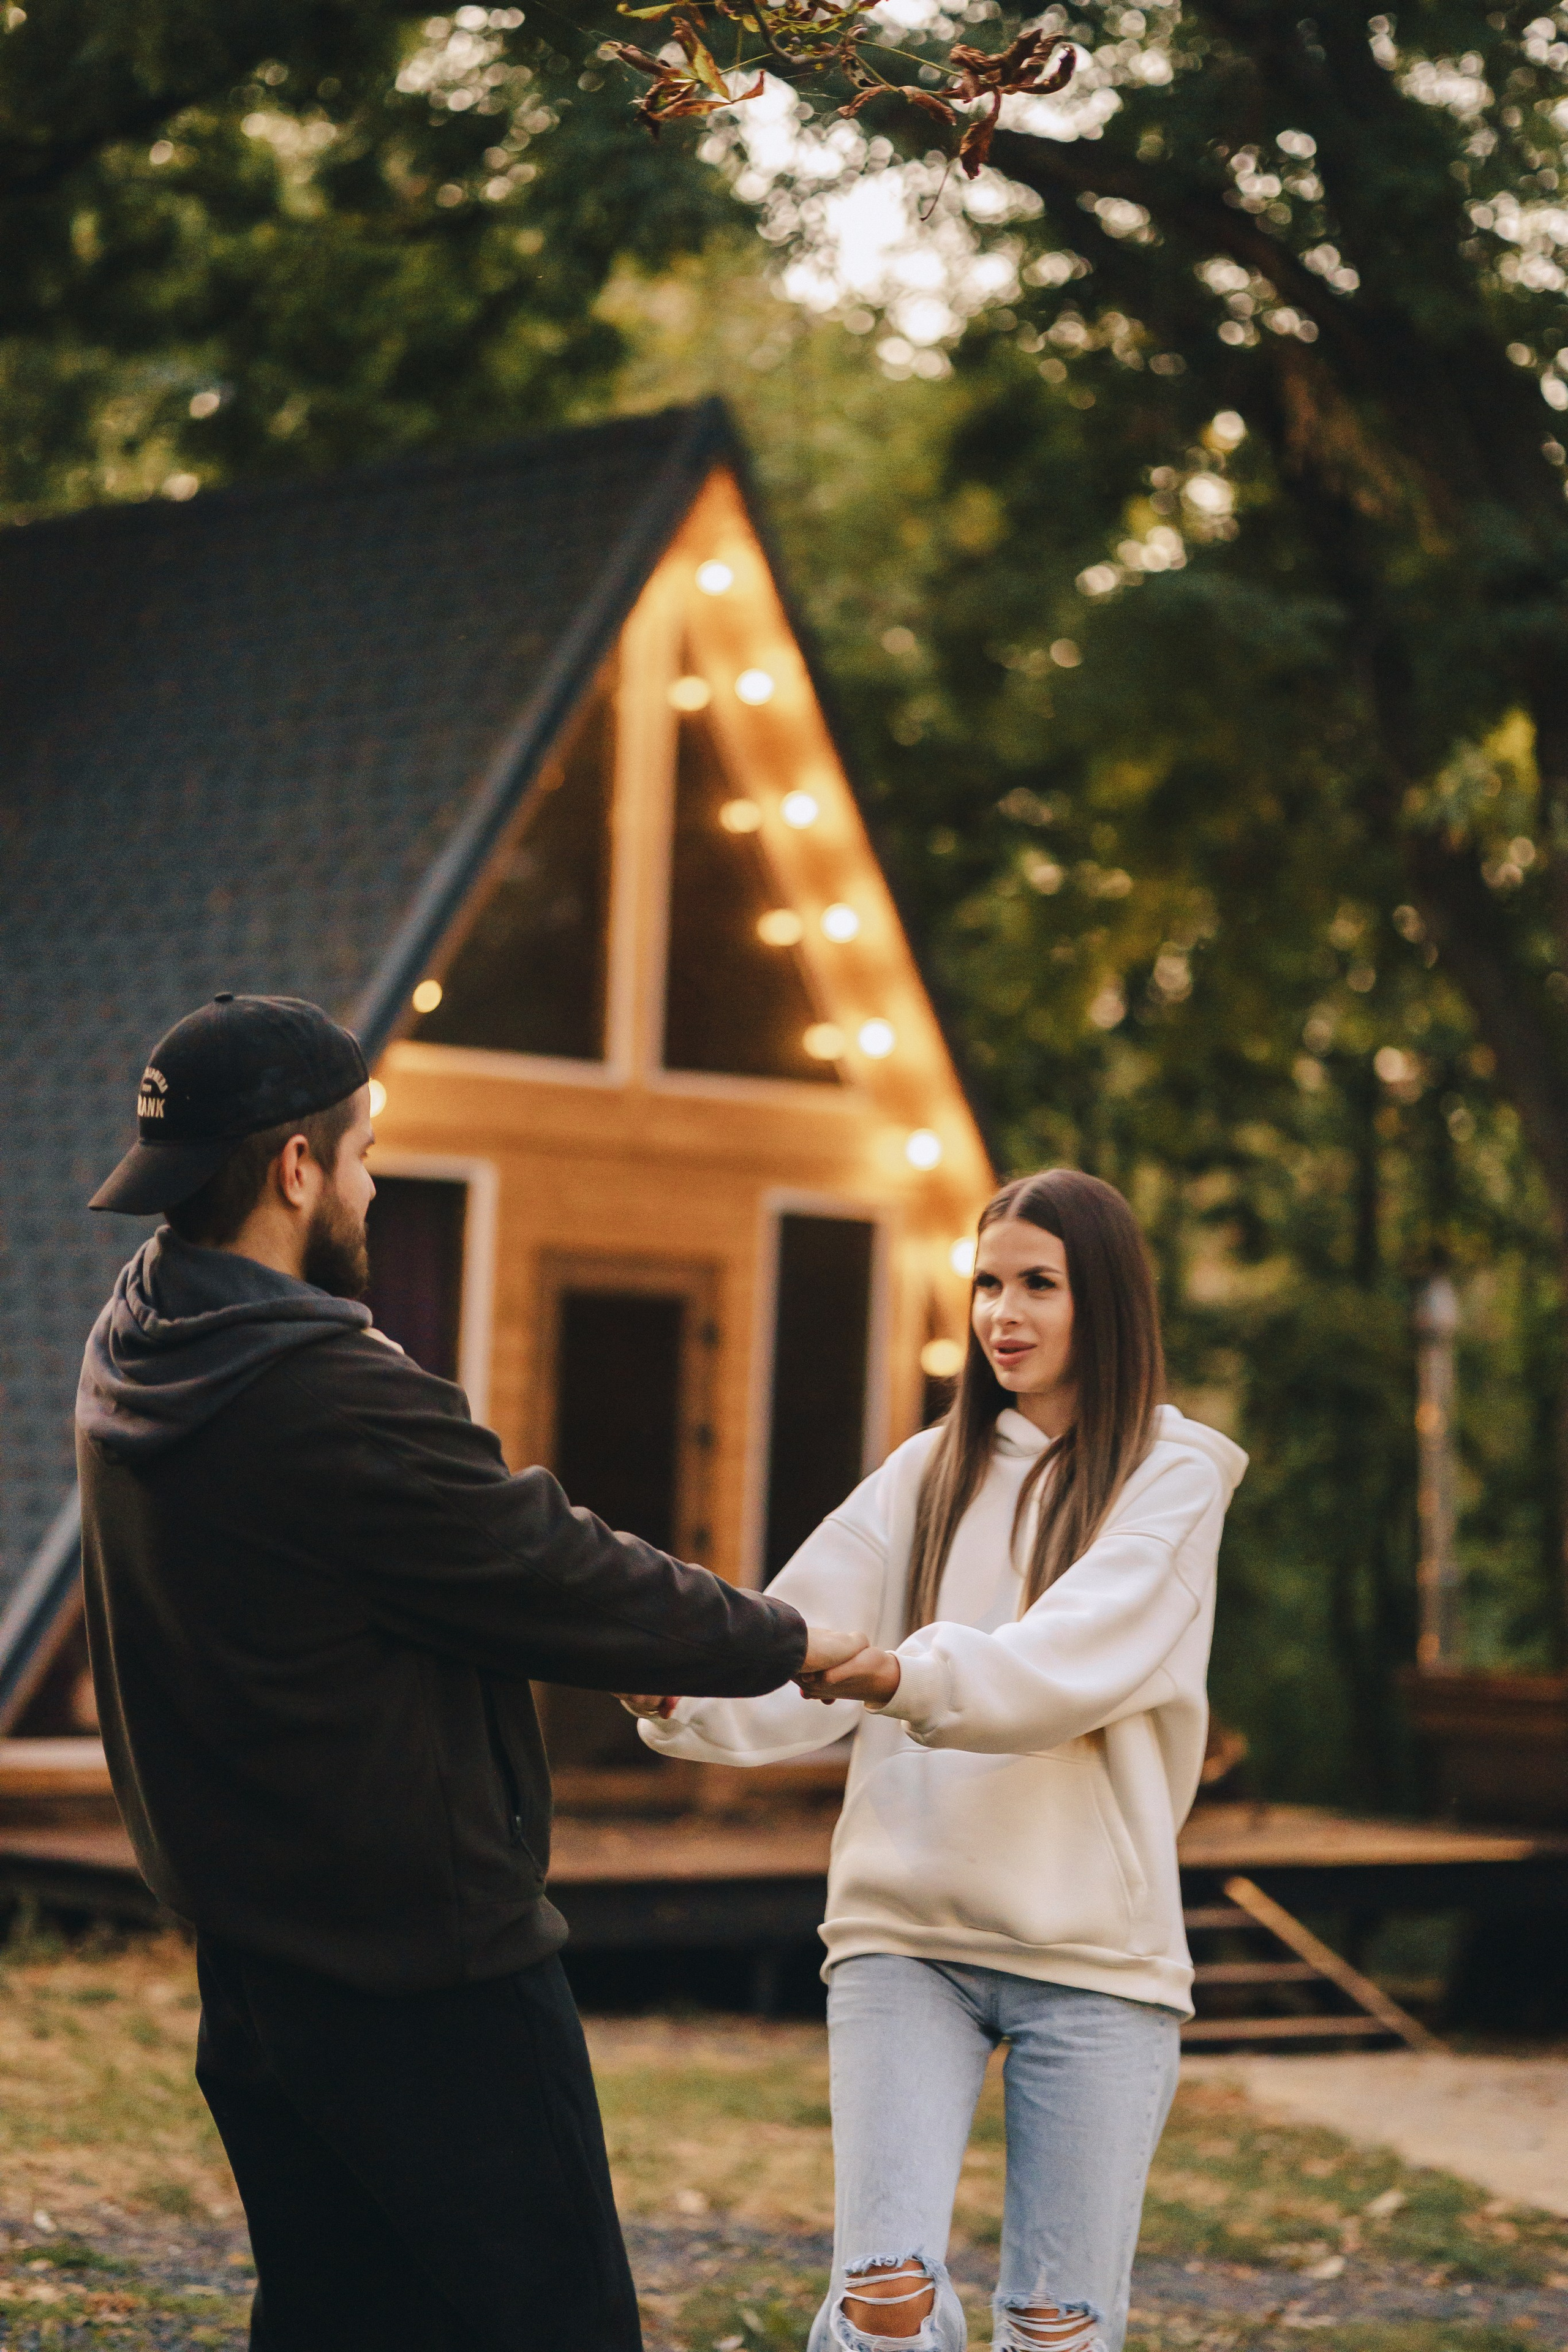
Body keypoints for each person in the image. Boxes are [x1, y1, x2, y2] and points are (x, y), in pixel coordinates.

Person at [75, 992, 862, 2352]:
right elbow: (545, 1564)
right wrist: (790, 1642)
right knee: (553, 2322)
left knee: (337, 2319)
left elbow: (413, 1579)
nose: (376, 1186)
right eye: (366, 1152)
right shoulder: (323, 1396)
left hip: (258, 1959)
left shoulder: (136, 1343)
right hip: (426, 1970)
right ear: (295, 1167)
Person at [628, 1169, 1247, 2352]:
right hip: (904, 1936)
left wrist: (897, 1675)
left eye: (1038, 1286)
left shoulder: (1172, 1480)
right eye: (988, 1285)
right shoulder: (929, 1469)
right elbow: (796, 1631)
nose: (1003, 1314)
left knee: (1055, 2331)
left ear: (1105, 1301)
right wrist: (684, 1691)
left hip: (1095, 1954)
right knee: (883, 2316)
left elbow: (1060, 1665)